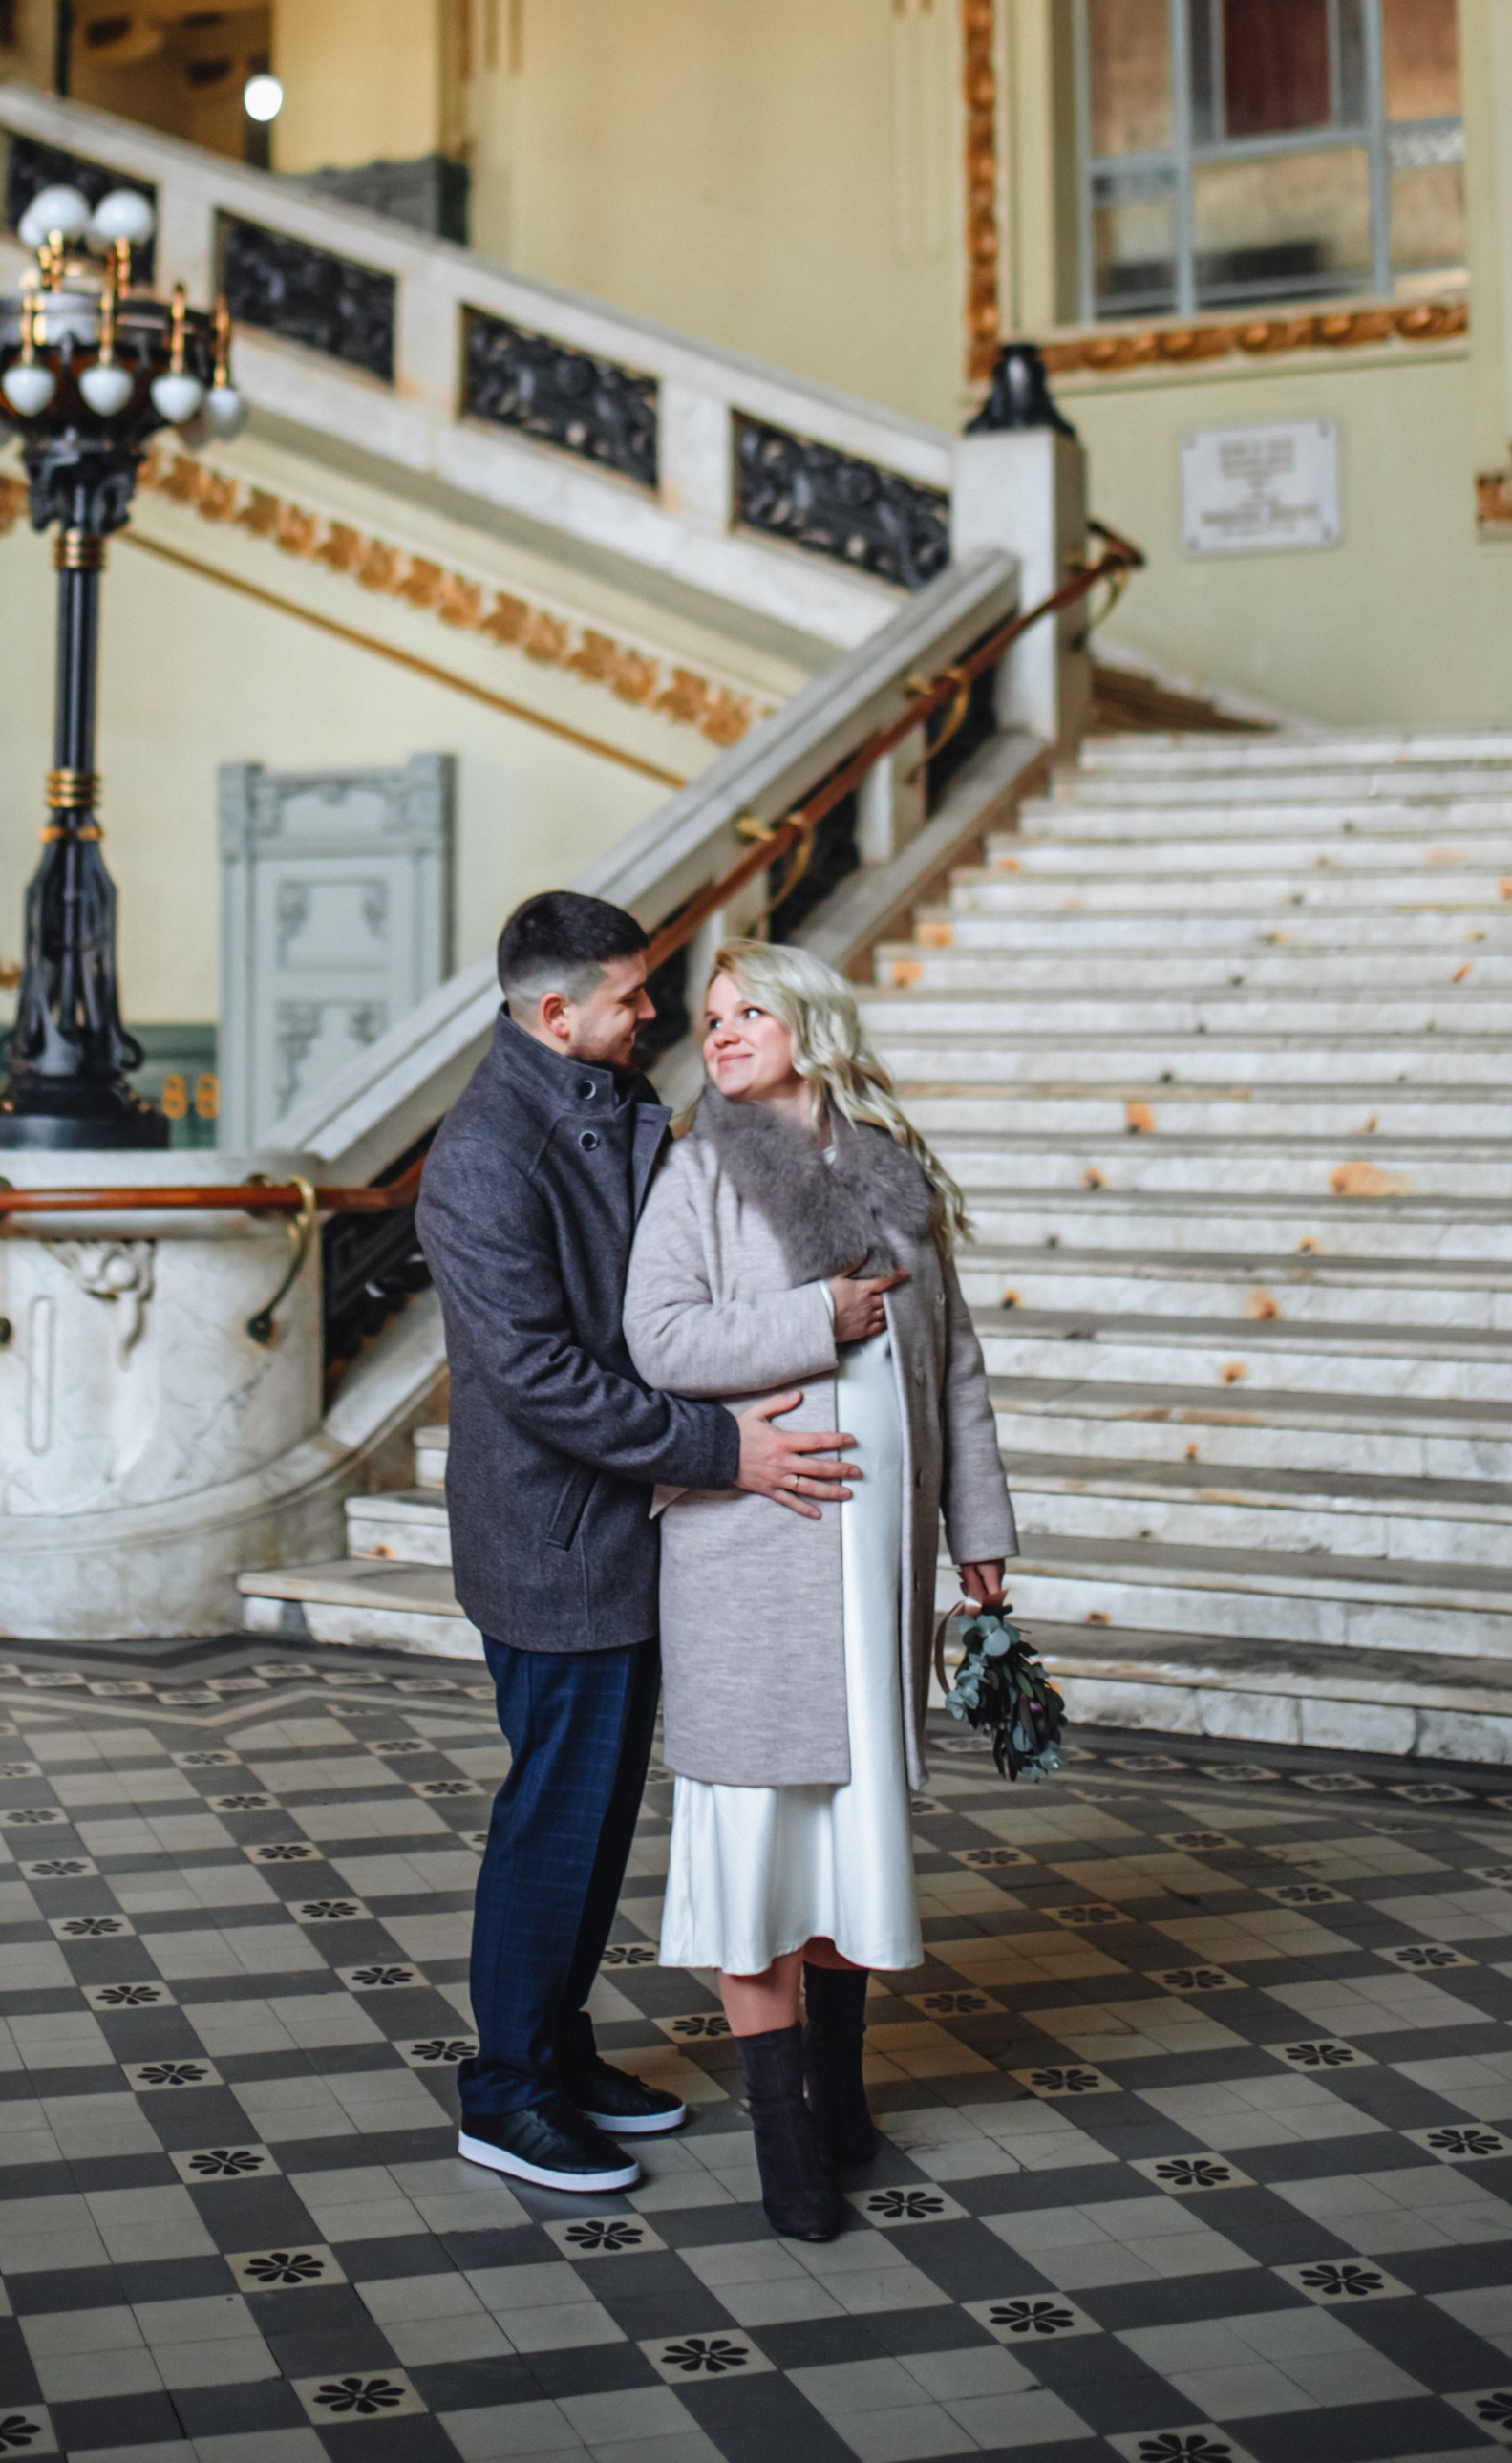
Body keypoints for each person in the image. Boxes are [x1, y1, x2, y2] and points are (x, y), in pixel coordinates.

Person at [415, 890, 861, 2195]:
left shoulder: (602, 1097)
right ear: (557, 1014)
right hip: (556, 1540)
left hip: (622, 1524)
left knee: (597, 1816)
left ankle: (551, 2049)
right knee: (554, 1820)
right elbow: (541, 1376)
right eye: (631, 996)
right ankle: (503, 2093)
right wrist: (728, 1451)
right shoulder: (487, 1153)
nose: (654, 1013)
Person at [623, 938, 1016, 2241]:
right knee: (752, 1840)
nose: (722, 1032)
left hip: (875, 1560)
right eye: (710, 1017)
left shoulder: (893, 1170)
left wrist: (979, 1527)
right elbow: (659, 1339)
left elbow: (954, 1363)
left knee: (852, 1836)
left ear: (811, 1021)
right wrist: (818, 1322)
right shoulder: (697, 1168)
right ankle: (787, 2145)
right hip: (750, 1544)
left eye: (749, 1012)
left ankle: (841, 2103)